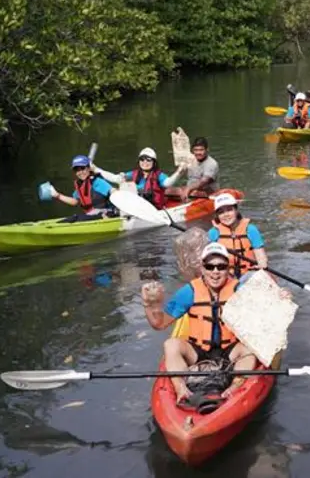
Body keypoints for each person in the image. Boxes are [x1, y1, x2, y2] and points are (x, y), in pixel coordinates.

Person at [141, 242, 291, 402]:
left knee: (249, 348)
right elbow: (159, 324)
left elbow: (266, 314)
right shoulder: (189, 292)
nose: (215, 272)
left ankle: (235, 386)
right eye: (210, 266)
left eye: (221, 266)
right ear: (202, 268)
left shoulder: (239, 289)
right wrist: (151, 306)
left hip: (231, 351)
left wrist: (280, 299)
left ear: (228, 268)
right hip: (198, 351)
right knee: (171, 344)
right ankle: (180, 388)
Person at [91, 147, 184, 209]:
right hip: (135, 209)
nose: (145, 162)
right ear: (139, 161)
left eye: (148, 160)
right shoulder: (133, 174)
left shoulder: (159, 175)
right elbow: (115, 178)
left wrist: (179, 172)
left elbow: (168, 183)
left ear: (154, 162)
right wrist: (95, 169)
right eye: (142, 159)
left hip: (153, 209)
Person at [207, 193, 268, 278]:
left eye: (229, 210)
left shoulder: (250, 229)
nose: (226, 215)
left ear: (236, 210)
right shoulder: (213, 233)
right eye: (221, 212)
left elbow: (261, 256)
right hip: (225, 276)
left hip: (249, 273)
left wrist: (262, 265)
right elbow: (209, 261)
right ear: (217, 215)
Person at [50, 154, 118, 222]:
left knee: (75, 219)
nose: (80, 172)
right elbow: (75, 201)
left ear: (89, 168)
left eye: (82, 168)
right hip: (92, 215)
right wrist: (58, 195)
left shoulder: (97, 182)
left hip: (106, 214)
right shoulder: (81, 185)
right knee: (73, 218)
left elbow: (113, 191)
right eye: (77, 170)